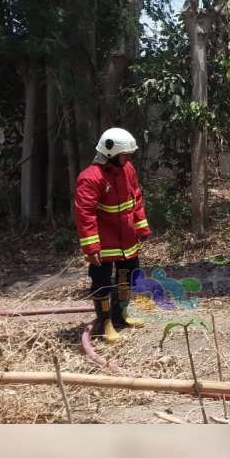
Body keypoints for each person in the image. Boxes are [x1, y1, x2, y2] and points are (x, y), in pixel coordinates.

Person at [75, 128, 150, 343]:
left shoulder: (127, 169)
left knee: (127, 278)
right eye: (124, 154)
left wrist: (142, 226)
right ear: (111, 153)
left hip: (127, 240)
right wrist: (91, 248)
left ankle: (121, 315)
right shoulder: (90, 178)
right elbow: (85, 215)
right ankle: (105, 323)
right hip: (104, 243)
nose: (127, 158)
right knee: (102, 283)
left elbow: (136, 198)